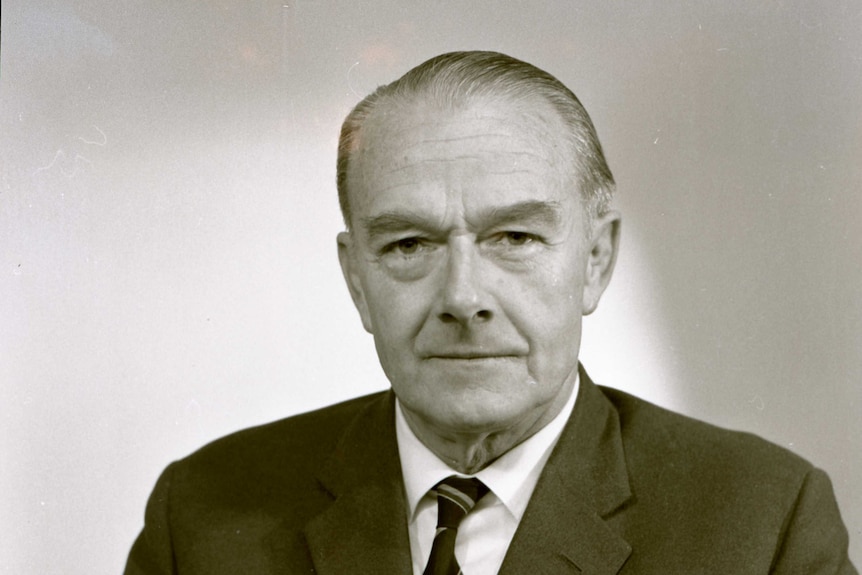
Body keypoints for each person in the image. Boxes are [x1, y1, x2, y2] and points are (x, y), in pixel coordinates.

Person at [125, 51, 856, 574]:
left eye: (515, 237)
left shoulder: (763, 522)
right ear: (356, 281)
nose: (463, 297)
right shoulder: (202, 516)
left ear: (595, 261)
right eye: (410, 243)